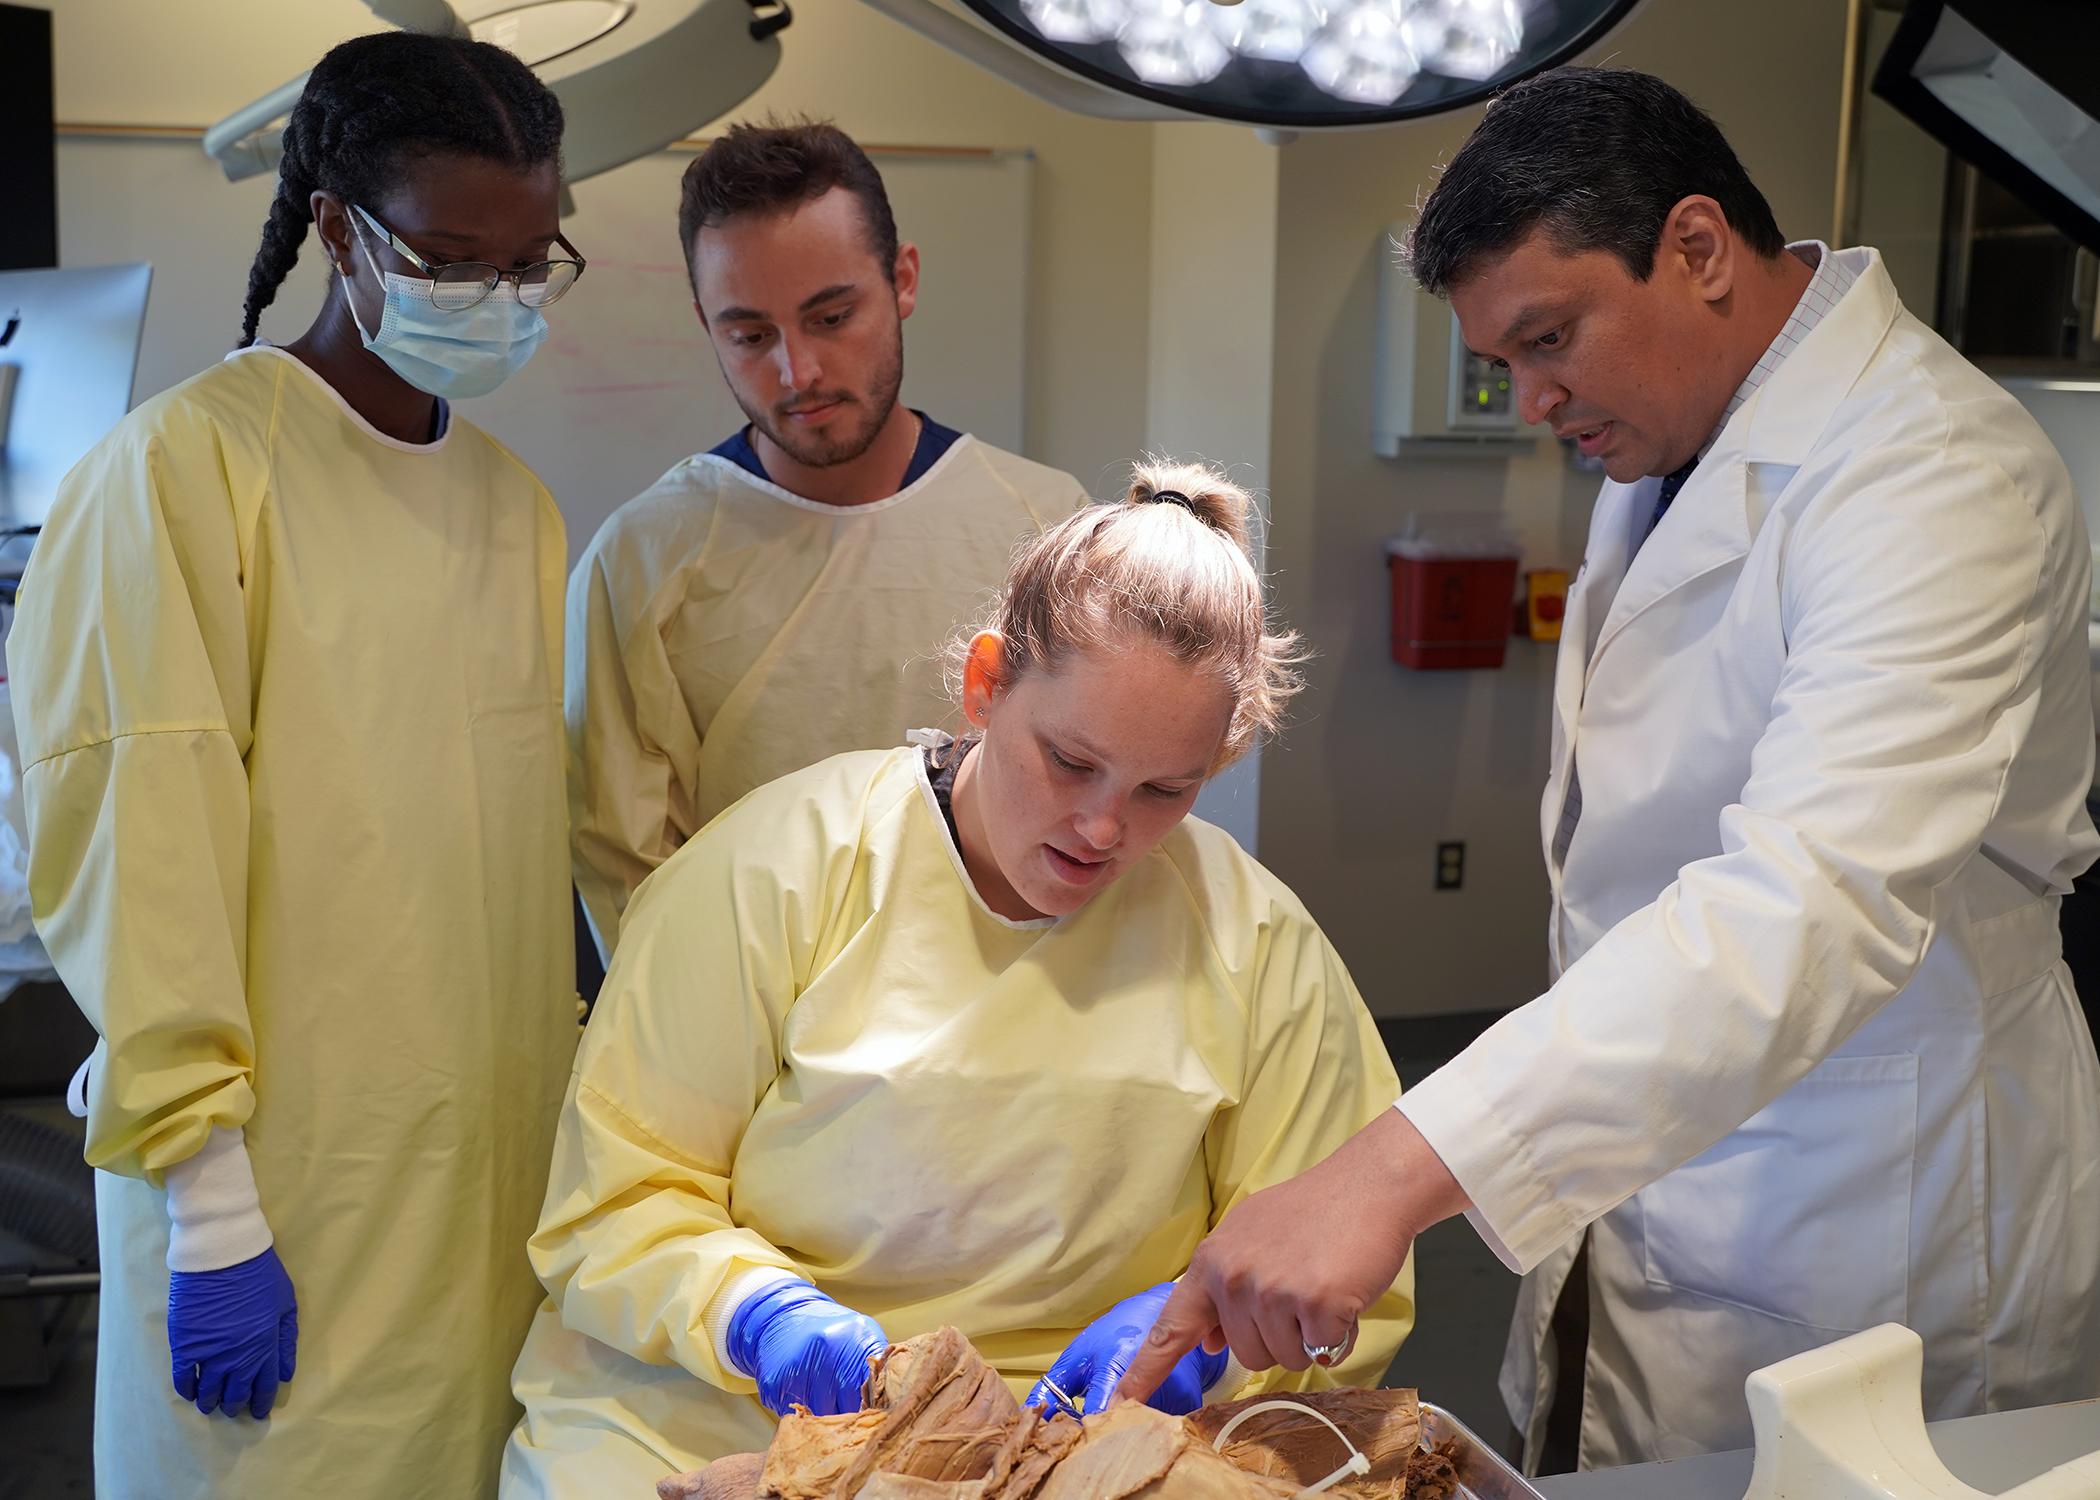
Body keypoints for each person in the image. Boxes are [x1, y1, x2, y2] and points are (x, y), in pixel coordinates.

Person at [1117, 67, 2100, 1473]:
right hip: (1662, 1157)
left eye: (1549, 338)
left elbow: (1806, 902)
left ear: (1697, 249)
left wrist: (1392, 1168)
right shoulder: (1678, 434)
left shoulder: (1934, 480)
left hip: (1869, 1205)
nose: (1529, 402)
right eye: (1504, 361)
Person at [499, 462, 1415, 1497]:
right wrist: (761, 1318)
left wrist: (1202, 1337)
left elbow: (1337, 1259)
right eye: (1070, 762)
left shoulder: (1256, 943)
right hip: (714, 1406)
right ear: (986, 685)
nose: (1104, 827)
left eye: (1166, 788)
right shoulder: (771, 870)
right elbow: (614, 1202)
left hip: (1085, 1443)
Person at [9, 31, 584, 1497]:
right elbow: (142, 859)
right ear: (339, 229)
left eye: (532, 265)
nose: (500, 300)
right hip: (273, 1205)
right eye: (456, 259)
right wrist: (208, 1210)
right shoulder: (180, 476)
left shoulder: (515, 510)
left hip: (477, 1186)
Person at [566, 120, 1089, 963]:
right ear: (706, 323)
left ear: (903, 279)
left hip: (1007, 1008)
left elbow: (1090, 808)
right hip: (754, 1024)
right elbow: (631, 874)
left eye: (832, 315)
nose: (796, 371)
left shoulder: (1042, 528)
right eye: (750, 336)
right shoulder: (645, 560)